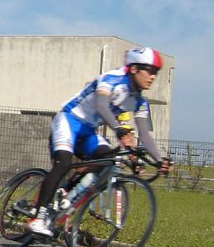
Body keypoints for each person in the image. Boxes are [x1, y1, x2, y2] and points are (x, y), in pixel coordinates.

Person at [27, 47, 171, 236]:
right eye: (150, 70)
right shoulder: (113, 78)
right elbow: (103, 106)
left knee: (108, 159)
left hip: (88, 132)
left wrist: (160, 160)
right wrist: (119, 129)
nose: (153, 77)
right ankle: (38, 216)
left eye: (156, 73)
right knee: (64, 161)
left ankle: (66, 193)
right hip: (69, 120)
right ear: (134, 68)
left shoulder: (139, 102)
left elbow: (144, 134)